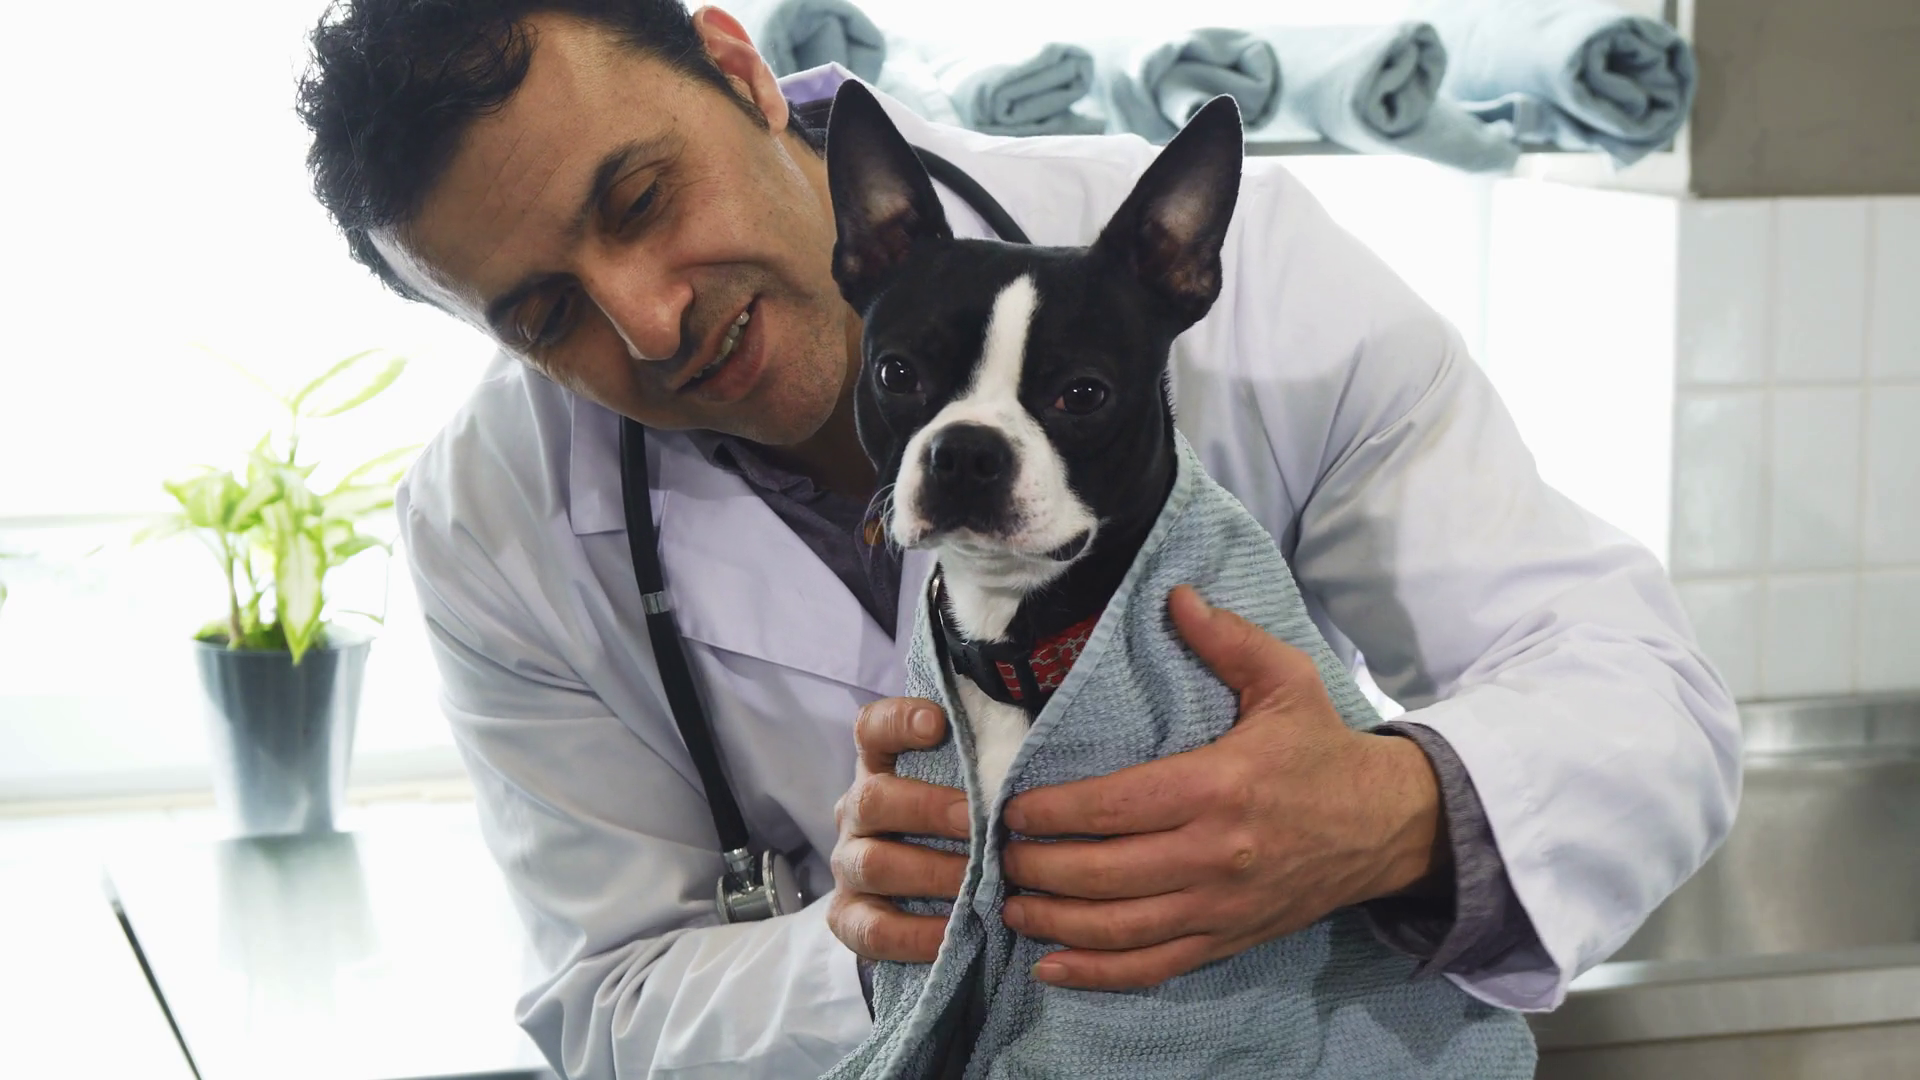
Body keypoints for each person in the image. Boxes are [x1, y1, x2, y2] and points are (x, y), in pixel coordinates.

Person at [296, 3, 1741, 1078]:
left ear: (740, 71)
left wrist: (1383, 809)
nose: (651, 318)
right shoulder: (490, 524)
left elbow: (1641, 694)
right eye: (547, 313)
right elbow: (608, 1008)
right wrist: (874, 945)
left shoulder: (1244, 278)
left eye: (641, 197)